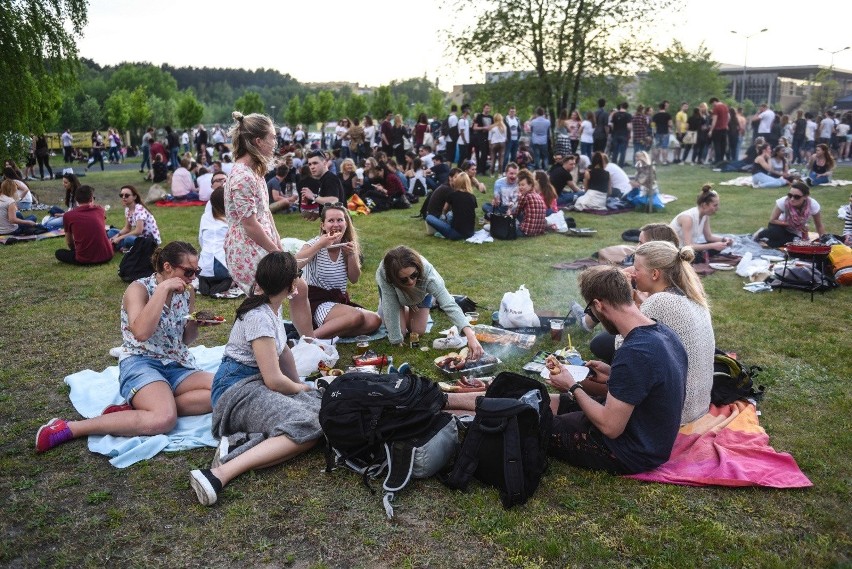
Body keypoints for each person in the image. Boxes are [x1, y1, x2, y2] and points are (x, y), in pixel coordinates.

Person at [35, 241, 215, 454]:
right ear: (167, 267)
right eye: (188, 271)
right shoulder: (138, 289)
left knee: (223, 389)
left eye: (197, 271)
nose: (193, 278)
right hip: (141, 361)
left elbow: (184, 340)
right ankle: (69, 428)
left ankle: (141, 407)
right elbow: (141, 333)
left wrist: (194, 324)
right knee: (163, 419)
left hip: (176, 362)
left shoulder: (187, 292)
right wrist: (162, 290)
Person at [189, 252, 321, 506]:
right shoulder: (260, 316)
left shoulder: (271, 306)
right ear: (291, 284)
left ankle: (241, 440)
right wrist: (298, 386)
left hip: (251, 382)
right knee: (308, 425)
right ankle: (218, 474)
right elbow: (273, 380)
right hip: (236, 389)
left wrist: (302, 389)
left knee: (317, 408)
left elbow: (283, 353)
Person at [590, 242, 713, 424]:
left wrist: (620, 298)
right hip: (700, 404)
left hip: (677, 412)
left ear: (655, 274)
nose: (632, 274)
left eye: (637, 269)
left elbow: (623, 349)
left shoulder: (659, 302)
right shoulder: (691, 296)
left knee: (587, 380)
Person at [223, 111, 314, 337]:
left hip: (262, 245)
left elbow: (265, 215)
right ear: (258, 141)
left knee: (296, 288)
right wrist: (278, 254)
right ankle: (261, 350)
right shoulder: (242, 176)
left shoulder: (255, 172)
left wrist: (277, 243)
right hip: (247, 249)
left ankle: (309, 341)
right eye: (272, 137)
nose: (276, 142)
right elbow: (250, 225)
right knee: (265, 303)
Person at [376, 245, 484, 358]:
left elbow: (449, 304)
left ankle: (410, 308)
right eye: (404, 279)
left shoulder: (429, 275)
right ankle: (396, 308)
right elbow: (390, 306)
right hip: (394, 295)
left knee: (417, 331)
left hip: (421, 295)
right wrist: (396, 340)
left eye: (414, 275)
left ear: (418, 269)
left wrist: (470, 335)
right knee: (400, 333)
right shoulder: (385, 274)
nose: (411, 281)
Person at [298, 204, 381, 338]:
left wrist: (351, 255)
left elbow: (354, 279)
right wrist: (319, 245)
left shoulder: (347, 246)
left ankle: (332, 330)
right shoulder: (314, 244)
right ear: (323, 225)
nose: (336, 224)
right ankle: (309, 339)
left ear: (346, 224)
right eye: (331, 221)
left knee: (375, 320)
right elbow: (295, 264)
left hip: (338, 302)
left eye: (340, 220)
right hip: (317, 302)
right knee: (356, 316)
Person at [54, 184, 114, 265]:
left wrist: (74, 250)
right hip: (107, 255)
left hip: (85, 259)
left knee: (59, 253)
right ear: (91, 198)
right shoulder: (100, 210)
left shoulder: (68, 215)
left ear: (76, 199)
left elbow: (69, 242)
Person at [754, 181, 825, 248]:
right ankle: (761, 233)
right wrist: (790, 223)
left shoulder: (813, 205)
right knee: (776, 234)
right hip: (779, 225)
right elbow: (772, 220)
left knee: (793, 243)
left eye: (797, 197)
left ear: (805, 196)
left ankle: (770, 242)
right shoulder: (783, 201)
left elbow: (819, 225)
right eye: (790, 195)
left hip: (795, 231)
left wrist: (823, 241)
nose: (792, 199)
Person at [670, 185, 733, 255]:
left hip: (688, 248)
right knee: (701, 252)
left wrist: (723, 240)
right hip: (675, 250)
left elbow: (709, 237)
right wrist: (713, 246)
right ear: (704, 205)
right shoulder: (687, 218)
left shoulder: (705, 216)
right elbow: (688, 246)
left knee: (718, 246)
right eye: (715, 205)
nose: (718, 208)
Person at [198, 186, 233, 296]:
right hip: (222, 264)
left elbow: (201, 240)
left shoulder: (205, 217)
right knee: (231, 276)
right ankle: (228, 281)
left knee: (206, 271)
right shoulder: (231, 219)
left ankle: (205, 281)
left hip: (203, 265)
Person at [425, 172, 478, 241]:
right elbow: (470, 212)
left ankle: (441, 232)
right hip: (470, 233)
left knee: (429, 217)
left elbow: (444, 210)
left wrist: (443, 218)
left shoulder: (452, 195)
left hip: (455, 234)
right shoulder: (472, 197)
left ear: (457, 182)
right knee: (450, 215)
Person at [110, 185, 162, 251]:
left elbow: (138, 231)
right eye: (121, 195)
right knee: (112, 232)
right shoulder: (127, 209)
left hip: (149, 241)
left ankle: (119, 246)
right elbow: (127, 228)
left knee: (127, 239)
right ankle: (121, 246)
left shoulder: (139, 209)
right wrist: (117, 235)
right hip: (139, 238)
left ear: (134, 197)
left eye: (126, 195)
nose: (123, 197)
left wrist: (120, 238)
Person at [512, 168, 547, 237]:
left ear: (531, 185)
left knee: (504, 228)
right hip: (538, 231)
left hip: (526, 231)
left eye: (523, 185)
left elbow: (515, 214)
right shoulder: (538, 196)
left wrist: (508, 214)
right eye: (519, 185)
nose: (520, 187)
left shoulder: (525, 196)